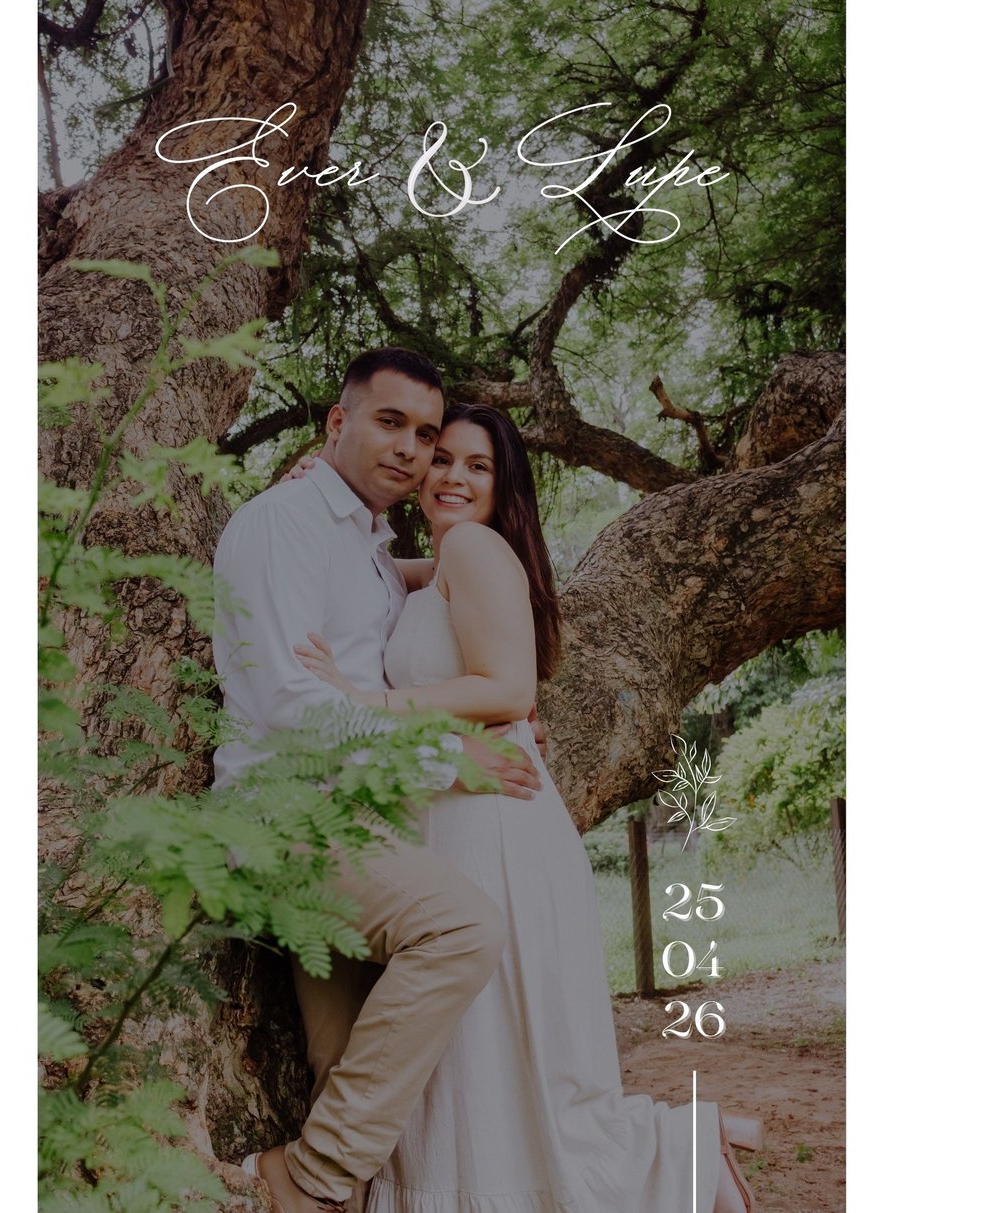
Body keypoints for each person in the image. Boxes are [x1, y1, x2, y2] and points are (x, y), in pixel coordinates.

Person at [288, 402, 761, 1213]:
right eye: (443, 460)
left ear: (503, 487)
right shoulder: (439, 565)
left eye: (480, 467)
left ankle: (681, 1155)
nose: (455, 478)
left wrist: (363, 700)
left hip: (493, 830)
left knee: (503, 1059)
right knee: (483, 1065)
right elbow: (370, 566)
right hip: (464, 819)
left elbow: (510, 687)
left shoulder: (473, 548)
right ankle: (677, 1150)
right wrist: (316, 484)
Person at [210, 348, 545, 1213]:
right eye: (390, 422)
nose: (411, 449)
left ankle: (335, 1189)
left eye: (426, 435)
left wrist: (472, 563)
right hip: (288, 815)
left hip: (359, 818)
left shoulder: (366, 545)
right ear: (337, 422)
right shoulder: (286, 523)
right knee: (463, 928)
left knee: (346, 1061)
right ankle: (309, 1178)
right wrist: (448, 756)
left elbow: (437, 597)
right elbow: (290, 703)